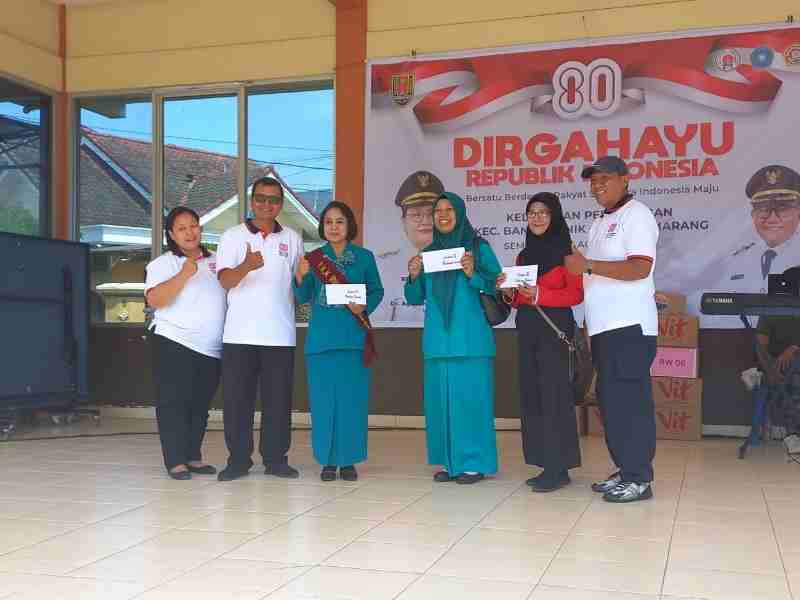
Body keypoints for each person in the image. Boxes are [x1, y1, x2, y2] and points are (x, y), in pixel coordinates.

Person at [565, 156, 659, 503]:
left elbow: (639, 269)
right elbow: (593, 280)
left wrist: (587, 264)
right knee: (612, 404)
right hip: (604, 330)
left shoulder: (638, 215)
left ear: (625, 179)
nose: (597, 185)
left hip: (629, 327)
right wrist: (589, 326)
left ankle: (639, 479)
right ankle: (625, 468)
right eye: (593, 181)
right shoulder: (599, 222)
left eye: (605, 178)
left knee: (631, 405)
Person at [405, 192, 502, 484]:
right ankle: (449, 462)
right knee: (441, 405)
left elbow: (499, 285)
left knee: (471, 404)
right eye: (438, 210)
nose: (443, 215)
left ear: (460, 213)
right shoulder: (429, 252)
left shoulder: (478, 248)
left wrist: (473, 274)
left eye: (449, 209)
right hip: (438, 342)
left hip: (470, 341)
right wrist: (414, 275)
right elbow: (414, 297)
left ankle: (473, 463)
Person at [215, 176, 304, 482]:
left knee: (278, 403)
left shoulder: (292, 238)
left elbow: (299, 283)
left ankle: (276, 460)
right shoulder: (232, 236)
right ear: (252, 201)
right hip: (239, 334)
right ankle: (238, 461)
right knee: (237, 403)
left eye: (274, 200)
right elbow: (224, 281)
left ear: (281, 204)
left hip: (280, 335)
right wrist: (246, 266)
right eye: (262, 198)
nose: (267, 204)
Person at [498, 192, 583, 493]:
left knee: (554, 396)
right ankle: (544, 463)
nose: (536, 217)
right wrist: (509, 293)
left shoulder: (569, 253)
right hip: (528, 328)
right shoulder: (523, 256)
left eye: (543, 212)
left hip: (555, 329)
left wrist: (540, 294)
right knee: (533, 395)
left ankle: (559, 468)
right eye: (532, 212)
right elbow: (519, 300)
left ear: (555, 216)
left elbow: (576, 295)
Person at [293, 201, 384, 481]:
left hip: (353, 340)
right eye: (329, 222)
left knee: (351, 404)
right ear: (322, 226)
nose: (334, 227)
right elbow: (302, 296)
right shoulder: (314, 258)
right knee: (324, 405)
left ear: (349, 225)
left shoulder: (364, 257)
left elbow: (377, 290)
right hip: (321, 342)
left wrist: (363, 305)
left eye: (340, 221)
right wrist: (300, 276)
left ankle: (348, 461)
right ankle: (327, 461)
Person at [144, 206, 226, 480]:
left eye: (193, 226)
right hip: (174, 341)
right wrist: (183, 274)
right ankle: (175, 461)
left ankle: (193, 456)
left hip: (210, 348)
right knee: (173, 404)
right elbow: (155, 300)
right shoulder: (163, 263)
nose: (190, 232)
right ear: (171, 234)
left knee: (200, 406)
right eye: (182, 228)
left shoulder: (216, 261)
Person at [374, 170, 444, 323]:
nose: (425, 221)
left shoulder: (456, 259)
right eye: (416, 215)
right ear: (403, 221)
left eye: (430, 213)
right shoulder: (383, 266)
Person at [755, 311, 800, 455]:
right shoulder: (767, 311)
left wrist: (794, 348)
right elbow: (760, 346)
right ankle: (793, 434)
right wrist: (770, 369)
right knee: (791, 377)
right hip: (776, 365)